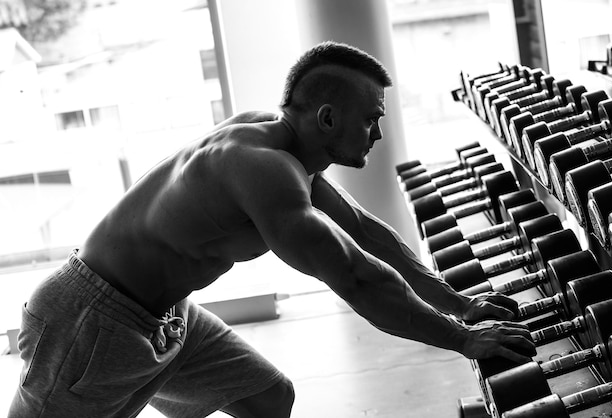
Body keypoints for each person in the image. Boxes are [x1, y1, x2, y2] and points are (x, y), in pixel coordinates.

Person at [9, 41, 535, 418]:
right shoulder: (261, 168)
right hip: (92, 318)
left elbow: (364, 232)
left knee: (267, 398)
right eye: (371, 118)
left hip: (168, 315)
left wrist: (458, 302)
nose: (377, 132)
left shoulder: (287, 147)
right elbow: (356, 278)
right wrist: (464, 340)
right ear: (327, 119)